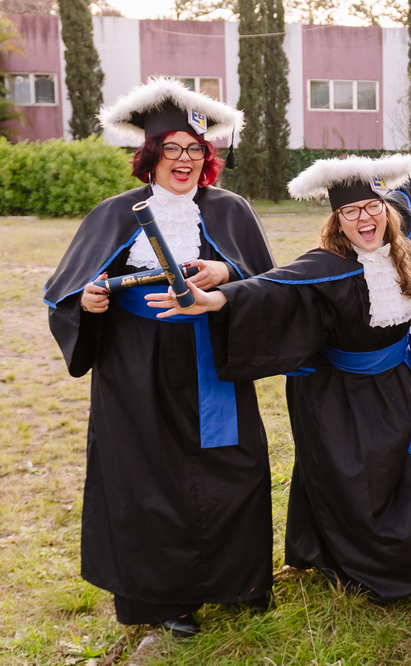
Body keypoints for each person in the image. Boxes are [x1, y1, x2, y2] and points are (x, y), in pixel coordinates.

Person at [150, 132, 411, 603]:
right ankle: (362, 564)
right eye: (350, 211)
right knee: (362, 480)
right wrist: (214, 298)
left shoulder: (402, 237)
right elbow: (268, 289)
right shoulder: (326, 265)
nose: (365, 217)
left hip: (402, 380)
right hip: (344, 394)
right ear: (337, 220)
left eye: (372, 206)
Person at [43, 78, 276, 636]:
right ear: (150, 155)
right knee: (146, 478)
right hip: (134, 366)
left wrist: (226, 273)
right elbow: (67, 291)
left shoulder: (231, 210)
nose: (183, 160)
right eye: (170, 148)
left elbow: (268, 284)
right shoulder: (113, 214)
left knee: (234, 465)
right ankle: (163, 600)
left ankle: (236, 582)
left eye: (194, 150)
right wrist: (91, 301)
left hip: (210, 357)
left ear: (207, 157)